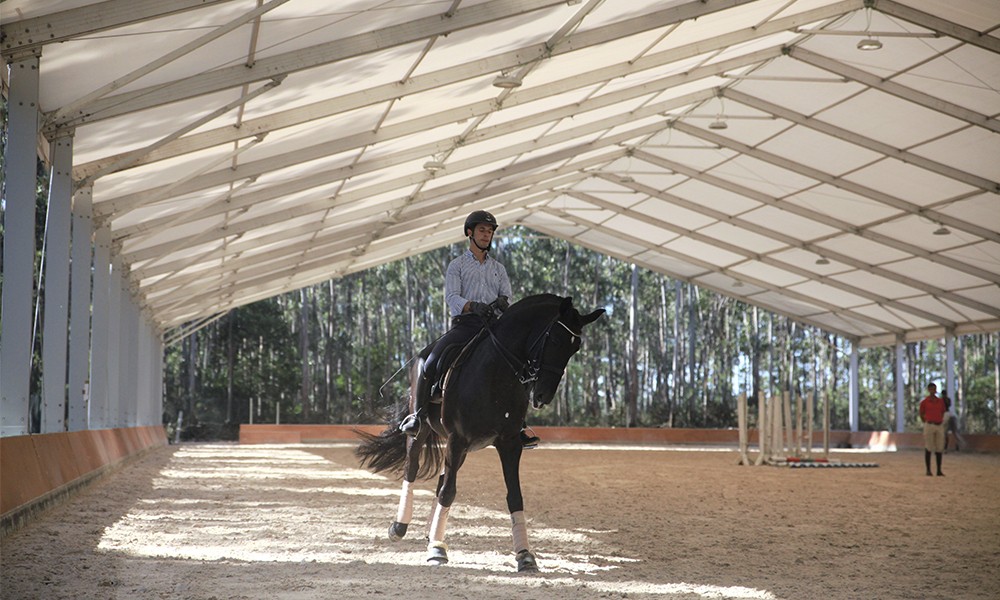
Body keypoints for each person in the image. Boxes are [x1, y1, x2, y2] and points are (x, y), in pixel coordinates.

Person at [399, 210, 539, 448]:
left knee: (521, 366)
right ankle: (418, 416)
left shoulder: (499, 268)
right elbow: (452, 296)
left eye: (490, 231)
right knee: (429, 360)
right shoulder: (457, 265)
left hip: (494, 328)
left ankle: (519, 424)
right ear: (470, 233)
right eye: (482, 230)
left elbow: (507, 295)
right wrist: (472, 306)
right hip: (466, 326)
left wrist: (503, 302)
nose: (487, 235)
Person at [918, 382, 946, 476]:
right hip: (929, 424)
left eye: (934, 389)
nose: (933, 391)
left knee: (939, 447)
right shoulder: (924, 402)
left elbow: (943, 412)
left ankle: (939, 470)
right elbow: (921, 413)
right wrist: (926, 421)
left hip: (939, 425)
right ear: (929, 390)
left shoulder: (940, 401)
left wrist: (939, 419)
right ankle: (928, 470)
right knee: (928, 447)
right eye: (931, 389)